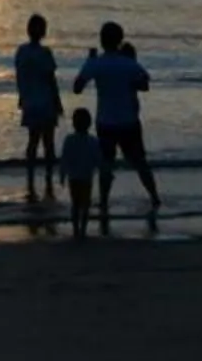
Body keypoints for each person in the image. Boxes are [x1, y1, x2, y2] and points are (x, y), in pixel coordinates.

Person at [73, 20, 156, 223]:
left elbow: (77, 87)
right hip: (128, 120)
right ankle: (154, 197)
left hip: (106, 121)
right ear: (120, 41)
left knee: (106, 165)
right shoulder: (128, 63)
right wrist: (129, 84)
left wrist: (88, 62)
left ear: (102, 41)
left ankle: (103, 201)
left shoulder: (97, 63)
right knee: (140, 162)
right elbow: (145, 84)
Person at [12, 13, 62, 195]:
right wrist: (58, 102)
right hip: (45, 101)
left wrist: (22, 97)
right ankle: (49, 177)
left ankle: (31, 176)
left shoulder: (21, 52)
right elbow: (51, 79)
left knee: (33, 141)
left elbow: (20, 77)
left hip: (30, 101)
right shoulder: (45, 53)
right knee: (48, 143)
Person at [58, 109, 103, 240]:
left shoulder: (69, 140)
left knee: (76, 204)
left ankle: (76, 228)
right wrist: (104, 171)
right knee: (85, 204)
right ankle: (82, 228)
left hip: (74, 177)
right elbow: (98, 159)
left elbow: (64, 160)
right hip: (86, 176)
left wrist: (62, 175)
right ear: (89, 123)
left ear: (73, 123)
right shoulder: (93, 141)